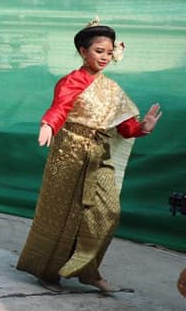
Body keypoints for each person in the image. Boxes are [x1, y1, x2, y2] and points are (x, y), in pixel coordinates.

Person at [16, 21, 162, 293]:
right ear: (83, 52)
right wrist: (48, 124)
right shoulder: (71, 81)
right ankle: (48, 272)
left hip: (99, 155)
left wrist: (142, 128)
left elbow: (124, 127)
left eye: (109, 52)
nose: (105, 57)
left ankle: (88, 271)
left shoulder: (112, 89)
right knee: (62, 214)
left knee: (109, 212)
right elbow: (59, 108)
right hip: (69, 152)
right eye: (99, 51)